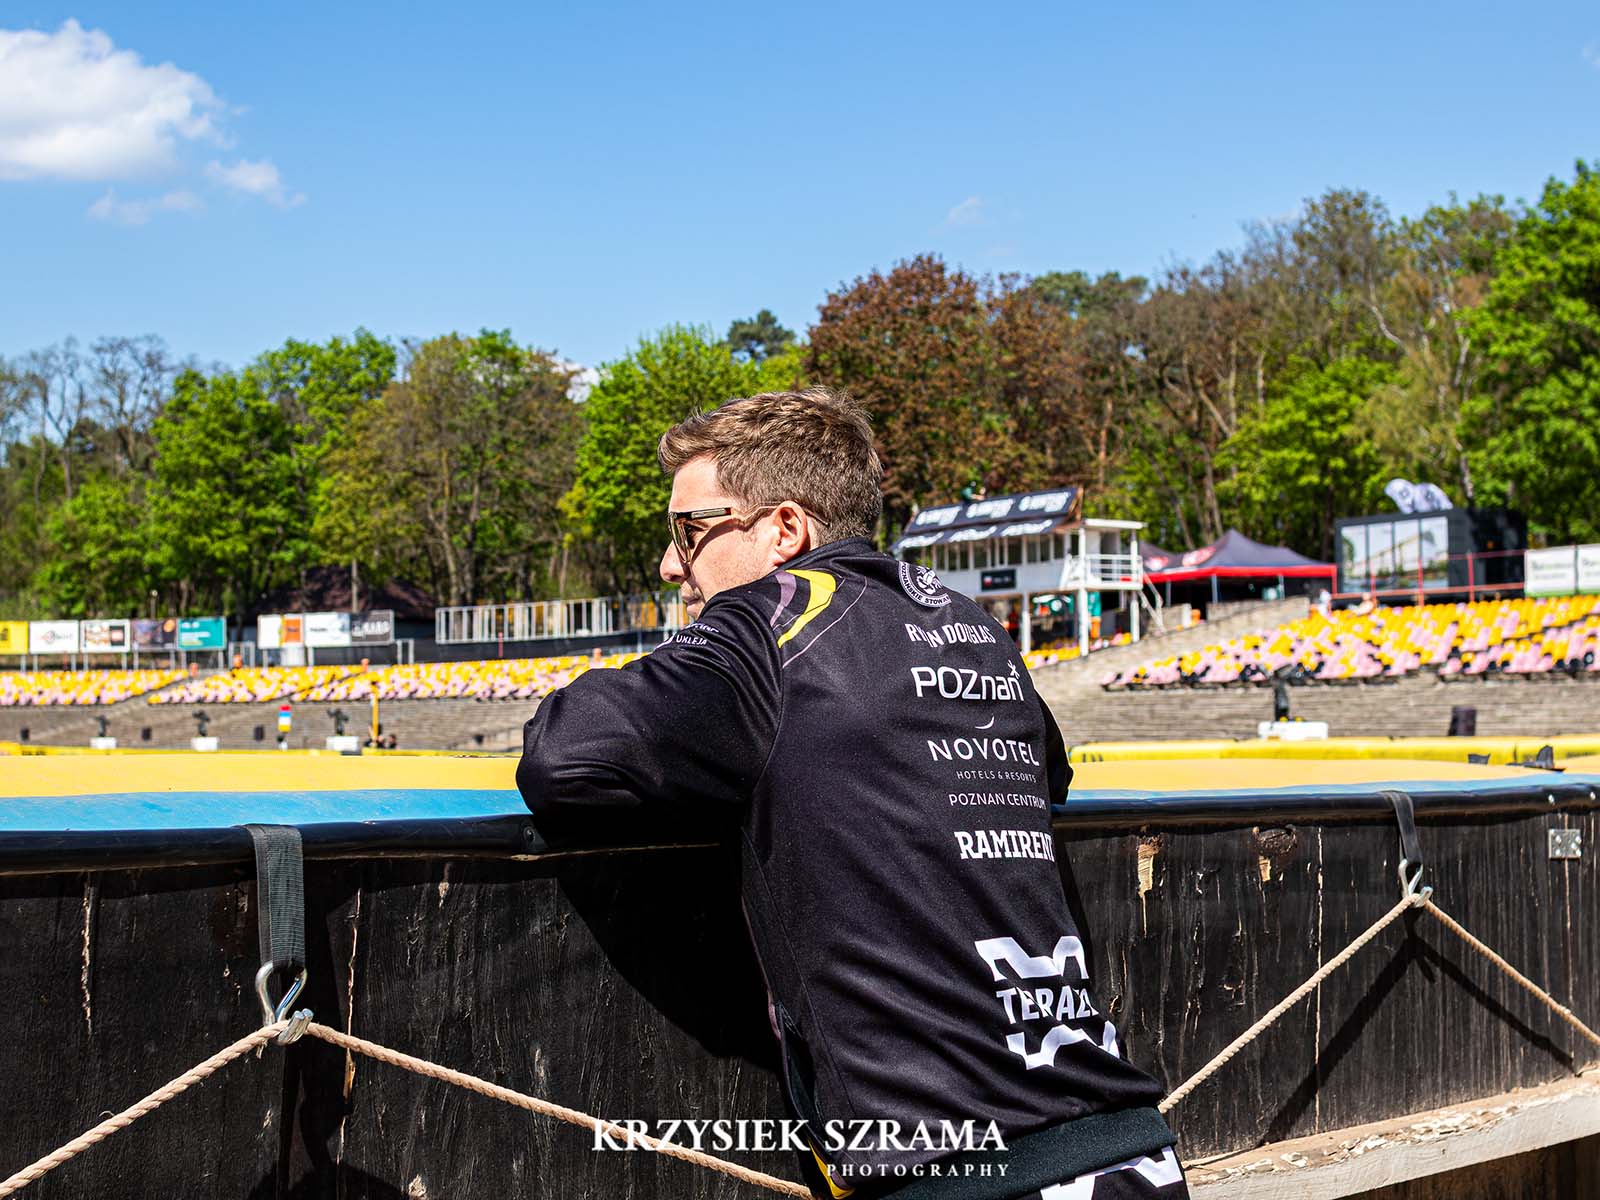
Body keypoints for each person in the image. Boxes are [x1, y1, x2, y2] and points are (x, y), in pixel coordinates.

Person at [517, 388, 1184, 1199]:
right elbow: (1048, 772)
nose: (670, 563)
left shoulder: (767, 624)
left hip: (961, 1176)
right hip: (1131, 1151)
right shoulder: (971, 624)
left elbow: (561, 758)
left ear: (784, 530)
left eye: (689, 530)